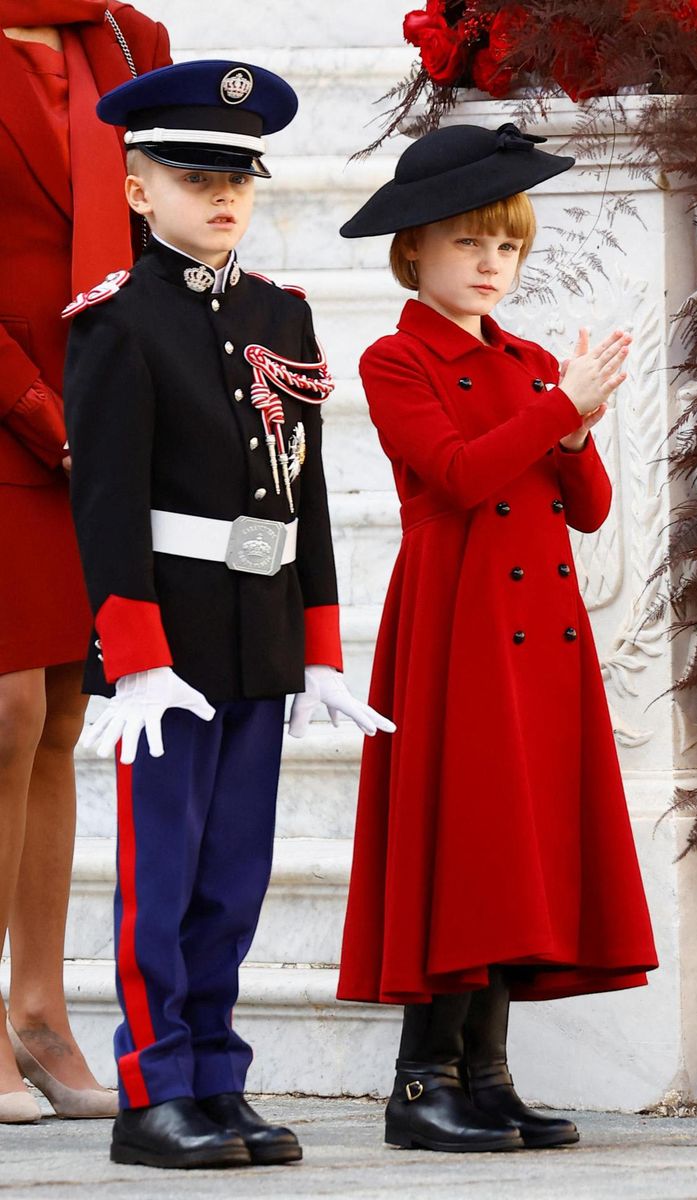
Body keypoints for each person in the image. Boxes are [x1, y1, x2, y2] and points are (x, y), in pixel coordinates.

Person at [63, 59, 394, 1170]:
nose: (222, 197)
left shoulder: (281, 314)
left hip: (258, 634)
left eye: (239, 179)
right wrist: (136, 657)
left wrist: (320, 647)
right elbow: (106, 504)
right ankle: (154, 1091)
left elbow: (303, 496)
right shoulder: (119, 321)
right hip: (173, 645)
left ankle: (217, 1077)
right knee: (163, 875)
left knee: (235, 875)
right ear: (136, 188)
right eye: (194, 174)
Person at [336, 123, 659, 1154]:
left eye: (507, 247)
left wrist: (572, 427)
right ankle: (420, 1079)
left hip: (540, 638)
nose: (490, 264)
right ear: (414, 252)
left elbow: (591, 506)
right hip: (458, 620)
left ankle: (487, 1074)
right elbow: (461, 476)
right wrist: (559, 407)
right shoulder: (395, 358)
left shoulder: (525, 358)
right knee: (462, 833)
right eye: (469, 243)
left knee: (520, 844)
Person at [0, 1, 170, 1125]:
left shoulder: (129, 41)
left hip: (100, 415)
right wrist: (40, 410)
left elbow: (170, 228)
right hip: (8, 405)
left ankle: (40, 1008)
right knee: (6, 708)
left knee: (63, 710)